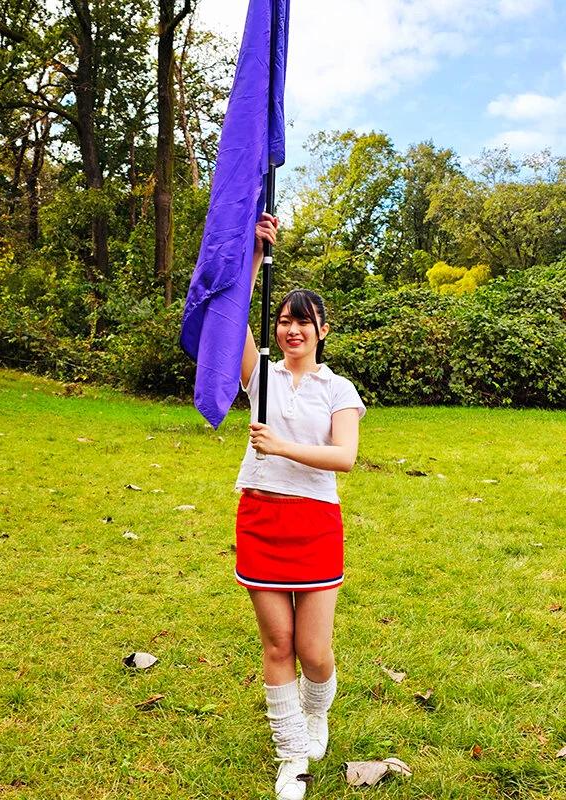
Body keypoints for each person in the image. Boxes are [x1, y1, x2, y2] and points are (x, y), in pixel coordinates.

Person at [235, 213, 366, 799]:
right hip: (260, 517)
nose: (292, 329)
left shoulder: (338, 389)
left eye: (303, 321)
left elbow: (344, 457)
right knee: (277, 645)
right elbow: (232, 317)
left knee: (313, 651)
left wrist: (282, 445)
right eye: (285, 320)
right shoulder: (260, 375)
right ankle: (292, 758)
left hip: (315, 521)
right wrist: (255, 255)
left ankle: (316, 714)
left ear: (322, 330)